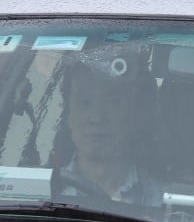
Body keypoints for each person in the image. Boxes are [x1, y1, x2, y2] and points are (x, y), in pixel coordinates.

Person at [57, 56, 163, 206]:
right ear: (67, 115)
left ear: (136, 115)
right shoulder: (41, 195)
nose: (97, 118)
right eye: (85, 103)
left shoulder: (162, 203)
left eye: (112, 102)